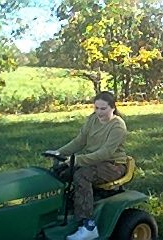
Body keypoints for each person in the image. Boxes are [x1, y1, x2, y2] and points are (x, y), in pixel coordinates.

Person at [46, 91, 127, 240]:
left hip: (113, 165)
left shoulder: (117, 126)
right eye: (96, 108)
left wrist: (76, 160)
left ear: (113, 108)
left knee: (82, 175)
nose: (99, 112)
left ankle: (88, 225)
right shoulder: (92, 119)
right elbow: (79, 141)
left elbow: (105, 153)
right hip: (92, 161)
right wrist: (58, 152)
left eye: (103, 109)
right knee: (60, 172)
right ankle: (63, 210)